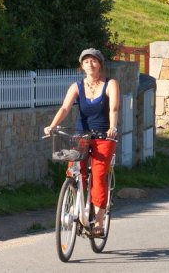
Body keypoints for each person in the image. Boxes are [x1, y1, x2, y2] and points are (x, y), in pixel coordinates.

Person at [44, 48, 119, 237]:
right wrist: (52, 125)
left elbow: (114, 108)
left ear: (100, 64)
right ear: (81, 66)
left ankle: (99, 221)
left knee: (100, 175)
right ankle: (78, 205)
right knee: (74, 171)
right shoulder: (77, 86)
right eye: (86, 62)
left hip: (103, 136)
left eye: (94, 61)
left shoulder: (110, 84)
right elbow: (65, 108)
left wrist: (112, 127)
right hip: (82, 137)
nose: (90, 64)